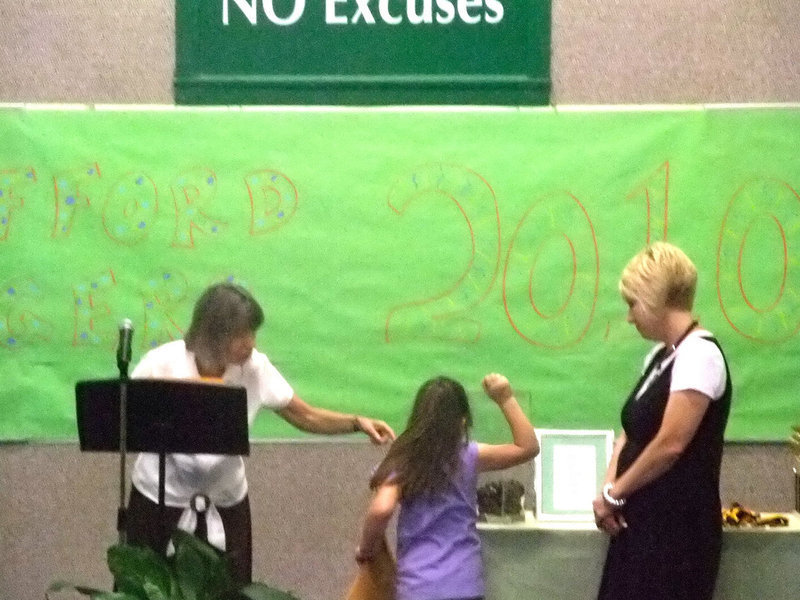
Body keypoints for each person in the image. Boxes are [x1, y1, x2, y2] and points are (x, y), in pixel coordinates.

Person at [125, 282, 395, 583]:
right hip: (157, 501)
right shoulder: (162, 363)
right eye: (243, 335)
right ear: (215, 334)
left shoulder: (255, 368)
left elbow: (303, 414)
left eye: (253, 333)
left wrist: (357, 423)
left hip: (226, 503)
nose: (251, 343)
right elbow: (128, 419)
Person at [593, 242, 732, 600]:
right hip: (639, 524)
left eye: (632, 304)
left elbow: (670, 444)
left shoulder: (700, 355)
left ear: (655, 301)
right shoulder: (659, 357)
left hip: (677, 533)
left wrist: (616, 492)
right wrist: (610, 488)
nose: (629, 316)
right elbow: (631, 431)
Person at [355, 373, 539, 600]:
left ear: (418, 418)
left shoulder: (403, 460)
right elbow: (527, 447)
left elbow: (381, 509)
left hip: (417, 585)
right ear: (463, 420)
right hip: (464, 584)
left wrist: (366, 549)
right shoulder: (470, 455)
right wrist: (505, 398)